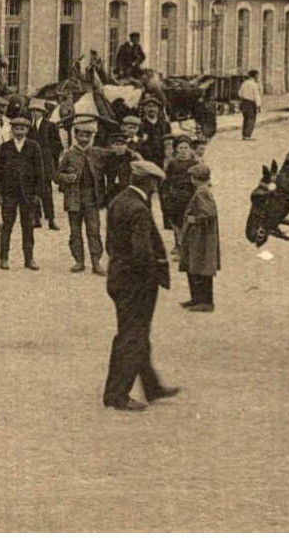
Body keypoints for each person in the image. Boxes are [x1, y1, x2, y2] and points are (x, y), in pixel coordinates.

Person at [102, 157, 181, 411]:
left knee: (136, 333)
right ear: (146, 182)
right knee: (132, 336)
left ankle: (152, 387)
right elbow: (142, 252)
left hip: (119, 276)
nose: (156, 189)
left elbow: (111, 244)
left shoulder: (119, 200)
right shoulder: (137, 208)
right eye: (155, 184)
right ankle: (117, 395)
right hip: (135, 283)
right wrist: (149, 279)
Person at [0, 109, 47, 270]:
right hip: (8, 194)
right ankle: (4, 258)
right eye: (16, 129)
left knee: (28, 227)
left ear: (27, 130)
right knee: (6, 227)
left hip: (28, 194)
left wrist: (38, 193)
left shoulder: (33, 147)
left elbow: (40, 171)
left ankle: (29, 259)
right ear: (12, 130)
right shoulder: (4, 148)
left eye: (22, 129)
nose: (19, 131)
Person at [54, 121, 107, 274]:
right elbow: (56, 175)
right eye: (81, 135)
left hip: (92, 199)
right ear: (75, 136)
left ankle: (96, 262)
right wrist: (66, 177)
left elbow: (116, 156)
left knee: (94, 230)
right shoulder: (69, 155)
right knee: (75, 231)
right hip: (74, 199)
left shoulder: (97, 153)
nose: (84, 138)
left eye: (87, 135)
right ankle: (79, 261)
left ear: (92, 137)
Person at [178, 162, 220, 312]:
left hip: (201, 236)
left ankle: (205, 302)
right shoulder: (203, 191)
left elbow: (210, 213)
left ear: (195, 179)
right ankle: (197, 299)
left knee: (200, 267)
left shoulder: (202, 192)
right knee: (194, 266)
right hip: (199, 236)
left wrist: (195, 219)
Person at [27, 98, 62, 231]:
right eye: (33, 111)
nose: (35, 113)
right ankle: (36, 218)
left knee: (46, 192)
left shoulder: (50, 126)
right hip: (31, 165)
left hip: (46, 165)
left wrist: (54, 164)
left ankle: (51, 219)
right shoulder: (28, 127)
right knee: (32, 191)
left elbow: (57, 146)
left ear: (42, 112)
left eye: (38, 111)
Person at [160, 136, 197, 254]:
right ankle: (178, 245)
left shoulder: (195, 164)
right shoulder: (173, 164)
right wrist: (167, 196)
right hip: (176, 197)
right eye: (180, 148)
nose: (183, 150)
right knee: (176, 222)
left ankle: (188, 248)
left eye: (186, 148)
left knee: (189, 222)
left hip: (190, 197)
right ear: (176, 149)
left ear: (191, 149)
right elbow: (167, 180)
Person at [238, 69, 262, 140]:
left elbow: (240, 93)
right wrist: (258, 105)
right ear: (254, 76)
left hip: (244, 102)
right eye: (257, 75)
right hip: (251, 103)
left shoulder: (244, 83)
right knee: (251, 119)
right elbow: (256, 95)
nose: (258, 77)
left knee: (245, 119)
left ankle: (244, 134)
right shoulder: (254, 84)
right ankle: (247, 135)